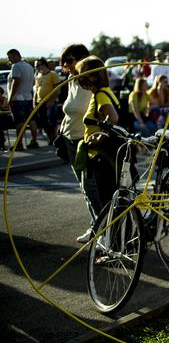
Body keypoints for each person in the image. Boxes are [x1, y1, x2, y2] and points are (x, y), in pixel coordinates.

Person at [73, 55, 120, 243]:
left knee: (106, 201)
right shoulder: (105, 91)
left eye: (82, 74)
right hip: (104, 155)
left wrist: (99, 137)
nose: (78, 78)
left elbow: (113, 118)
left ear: (93, 76)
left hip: (101, 156)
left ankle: (110, 242)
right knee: (111, 200)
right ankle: (113, 239)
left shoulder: (101, 94)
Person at [59, 44, 100, 243]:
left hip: (85, 140)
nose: (67, 64)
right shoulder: (71, 80)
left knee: (91, 188)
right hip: (70, 138)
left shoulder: (91, 81)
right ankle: (96, 227)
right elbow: (70, 108)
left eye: (70, 59)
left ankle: (103, 230)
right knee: (85, 189)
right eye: (64, 60)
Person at [6, 49, 39, 150]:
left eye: (10, 57)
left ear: (16, 56)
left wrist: (11, 98)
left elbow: (16, 82)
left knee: (19, 122)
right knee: (32, 120)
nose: (9, 60)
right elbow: (33, 82)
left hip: (18, 98)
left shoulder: (16, 66)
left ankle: (19, 144)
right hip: (28, 97)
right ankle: (34, 141)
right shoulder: (29, 66)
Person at [33, 57, 61, 144]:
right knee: (44, 123)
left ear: (44, 65)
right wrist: (34, 102)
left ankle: (55, 139)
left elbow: (57, 90)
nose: (36, 67)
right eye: (35, 66)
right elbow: (36, 90)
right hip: (39, 102)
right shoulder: (38, 76)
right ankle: (51, 139)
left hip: (50, 102)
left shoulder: (53, 74)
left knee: (52, 122)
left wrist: (51, 101)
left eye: (38, 65)